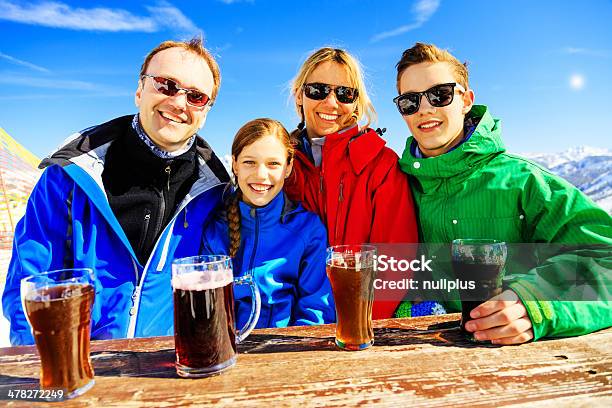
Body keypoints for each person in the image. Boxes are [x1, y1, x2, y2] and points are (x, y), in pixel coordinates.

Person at [3, 38, 230, 345]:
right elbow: (28, 286)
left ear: (205, 112)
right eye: (166, 85)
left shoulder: (213, 190)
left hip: (165, 366)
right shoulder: (70, 177)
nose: (178, 102)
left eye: (196, 97)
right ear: (140, 90)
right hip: (81, 364)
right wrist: (45, 370)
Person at [395, 42, 612, 344]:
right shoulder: (395, 184)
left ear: (466, 100)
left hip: (516, 365)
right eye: (410, 102)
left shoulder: (524, 182)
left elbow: (605, 257)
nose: (425, 109)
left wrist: (536, 302)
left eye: (439, 94)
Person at [284, 47, 419, 319]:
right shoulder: (283, 165)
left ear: (357, 102)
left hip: (359, 325)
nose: (331, 103)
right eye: (318, 90)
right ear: (300, 95)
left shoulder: (380, 165)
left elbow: (396, 262)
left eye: (345, 93)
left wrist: (360, 325)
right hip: (292, 324)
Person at [201, 118, 335, 328]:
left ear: (288, 167)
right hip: (228, 349)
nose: (261, 175)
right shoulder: (216, 228)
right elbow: (207, 308)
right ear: (235, 164)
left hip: (284, 351)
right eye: (249, 162)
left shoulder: (307, 230)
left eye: (273, 164)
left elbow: (316, 309)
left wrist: (291, 353)